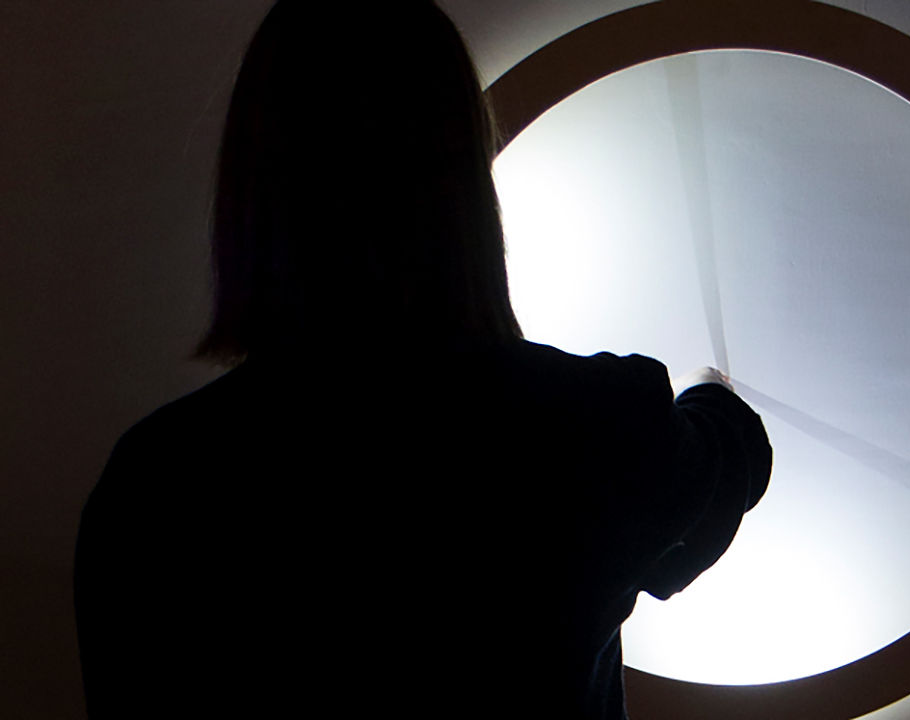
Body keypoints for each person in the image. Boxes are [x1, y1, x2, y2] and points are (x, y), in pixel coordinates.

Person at [72, 2, 771, 718]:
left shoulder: (156, 481)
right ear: (463, 183)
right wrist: (707, 393)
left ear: (253, 186)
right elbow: (724, 468)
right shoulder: (590, 425)